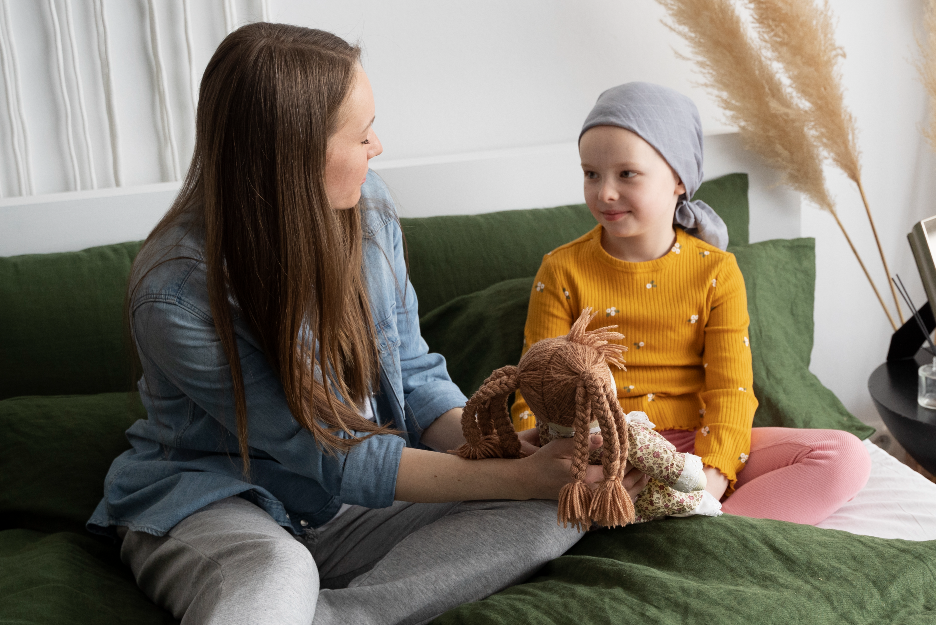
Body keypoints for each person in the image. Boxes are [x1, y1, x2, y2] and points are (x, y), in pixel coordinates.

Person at [86, 24, 647, 625]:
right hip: (219, 501)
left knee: (566, 503)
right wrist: (516, 475)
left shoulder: (367, 205)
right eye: (360, 134)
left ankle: (336, 616)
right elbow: (335, 454)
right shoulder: (177, 294)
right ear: (294, 154)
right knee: (278, 573)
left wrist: (508, 453)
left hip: (352, 506)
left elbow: (412, 374)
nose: (377, 146)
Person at [511, 81, 871, 525]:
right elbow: (537, 384)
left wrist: (710, 482)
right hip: (602, 453)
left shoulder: (716, 271)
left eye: (626, 174)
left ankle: (704, 532)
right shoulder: (561, 269)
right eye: (591, 173)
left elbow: (731, 389)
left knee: (845, 457)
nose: (604, 192)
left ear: (679, 179)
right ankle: (673, 530)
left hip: (696, 453)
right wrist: (544, 460)